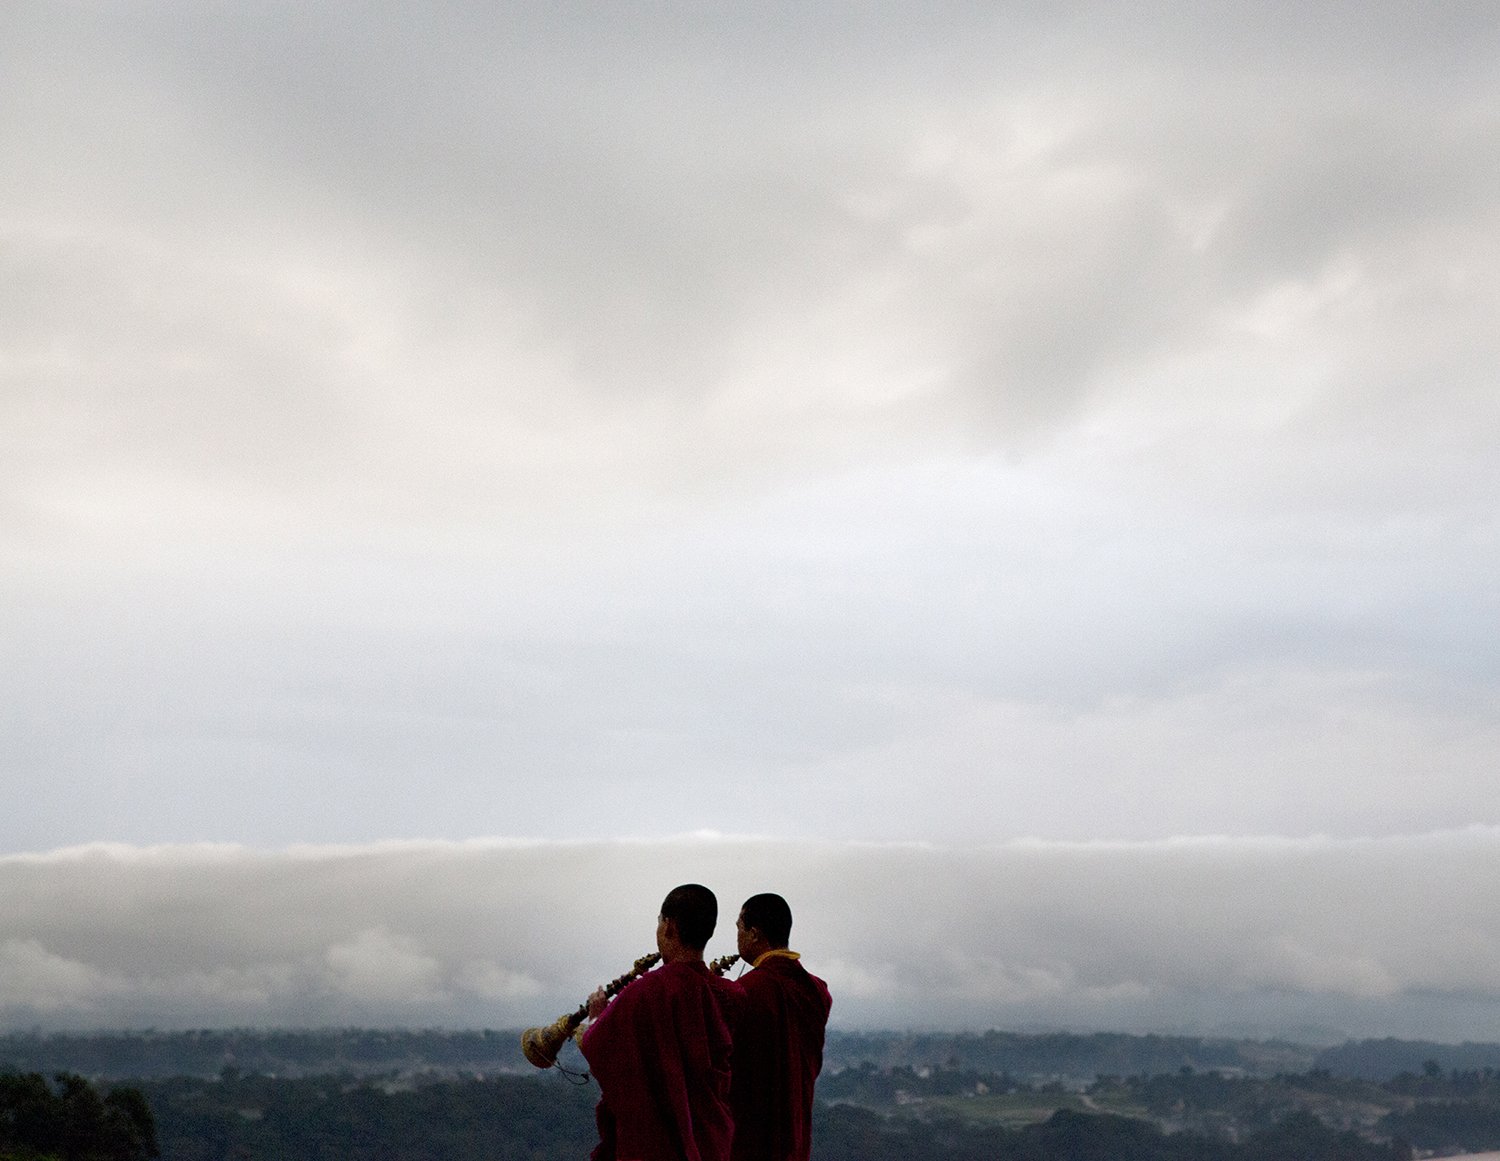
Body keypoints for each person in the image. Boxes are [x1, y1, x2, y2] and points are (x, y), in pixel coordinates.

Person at [580, 883, 743, 1161]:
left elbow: (598, 1045)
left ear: (669, 926)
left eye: (659, 922)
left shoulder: (646, 992)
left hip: (655, 1145)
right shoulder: (731, 995)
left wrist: (596, 1017)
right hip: (713, 1144)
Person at [729, 893, 832, 1161]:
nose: (737, 936)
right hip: (796, 1134)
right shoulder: (816, 991)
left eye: (739, 928)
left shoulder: (745, 992)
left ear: (754, 934)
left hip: (750, 1136)